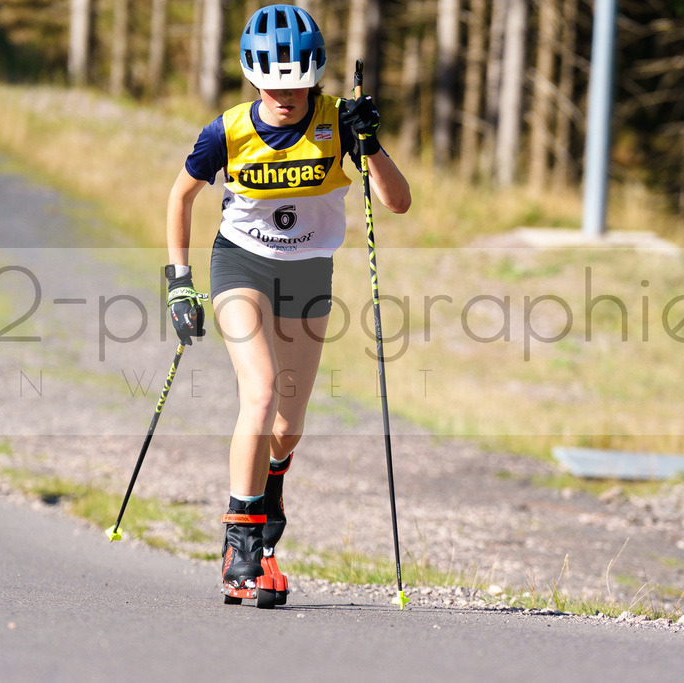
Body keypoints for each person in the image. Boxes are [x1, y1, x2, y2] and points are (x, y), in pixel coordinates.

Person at [165, 4, 410, 605]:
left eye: (298, 81)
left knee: (287, 427)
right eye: (272, 81)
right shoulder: (227, 130)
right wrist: (178, 279)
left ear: (315, 75)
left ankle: (270, 488)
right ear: (253, 76)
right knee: (262, 390)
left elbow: (398, 202)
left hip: (308, 275)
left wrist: (371, 142)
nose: (285, 93)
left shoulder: (338, 122)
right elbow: (181, 196)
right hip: (240, 264)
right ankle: (241, 546)